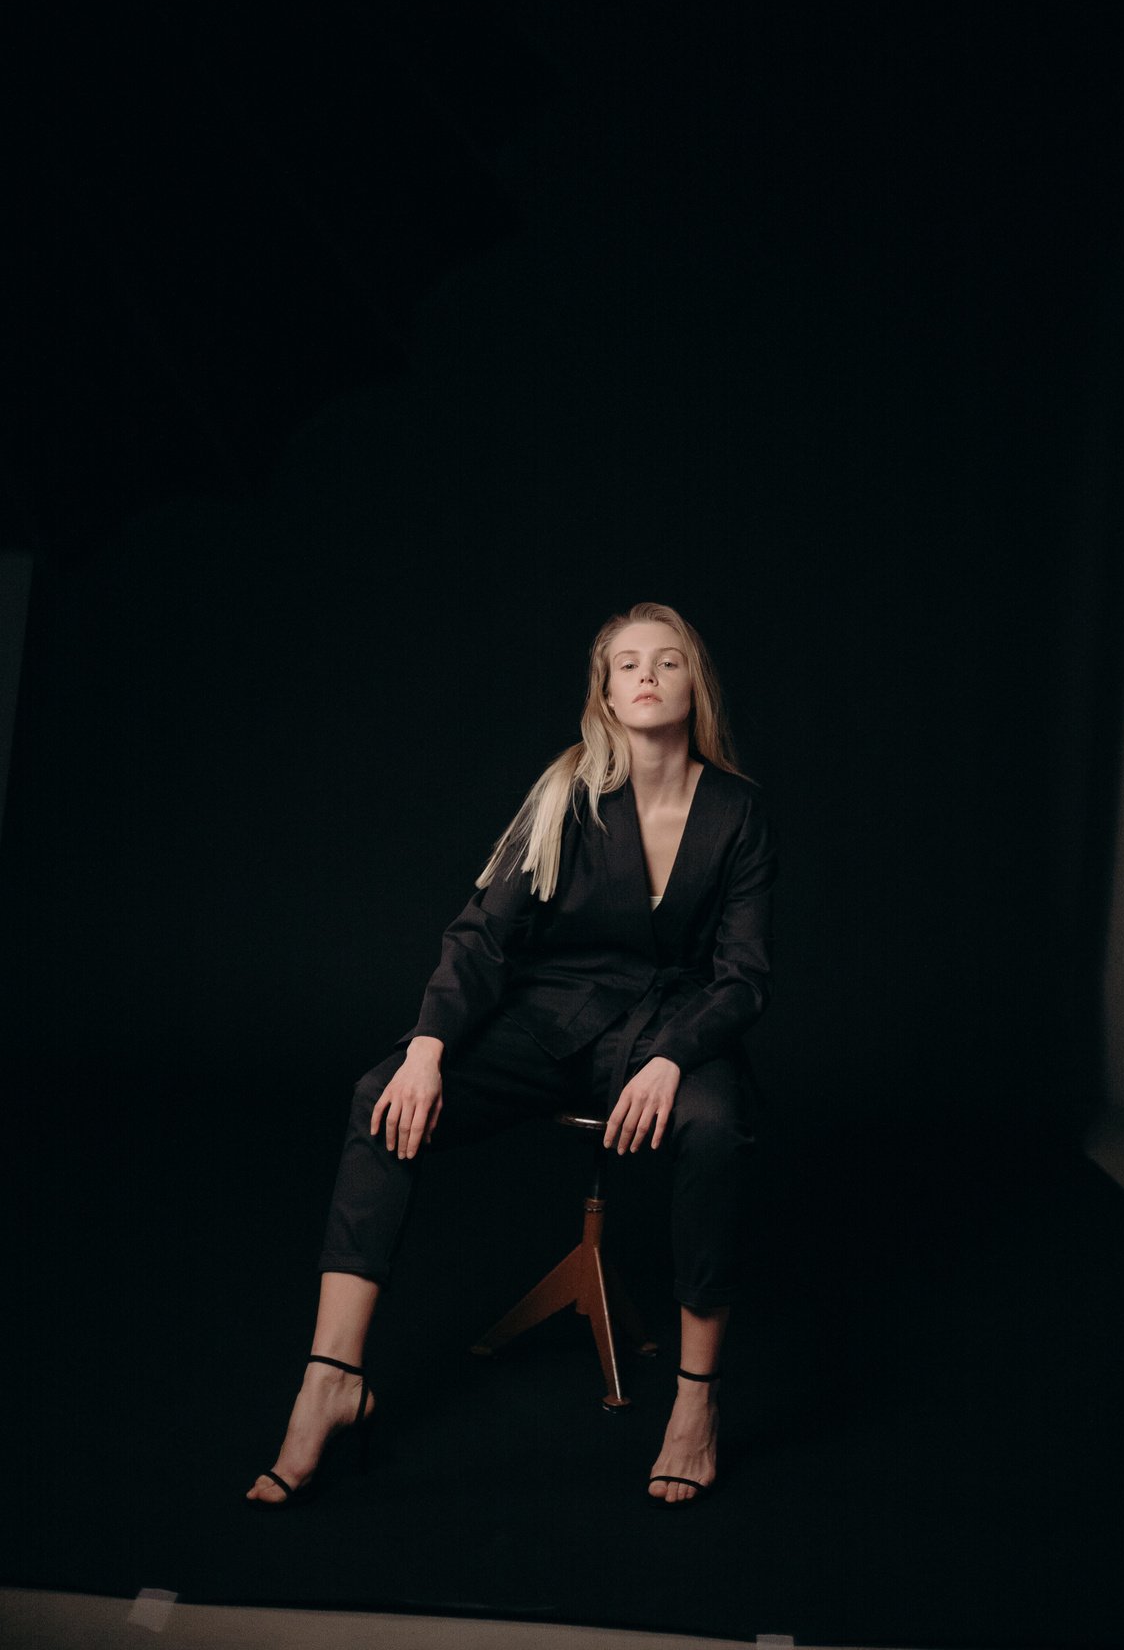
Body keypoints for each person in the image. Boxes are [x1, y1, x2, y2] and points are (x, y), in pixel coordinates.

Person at [247, 601, 776, 1508]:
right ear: (604, 694)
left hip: (670, 1029)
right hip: (549, 1022)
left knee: (718, 1131)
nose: (647, 675)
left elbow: (743, 977)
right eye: (626, 664)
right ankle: (331, 1379)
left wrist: (672, 1058)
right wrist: (425, 1048)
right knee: (382, 1099)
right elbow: (482, 937)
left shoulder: (737, 812)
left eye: (668, 661)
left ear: (695, 686)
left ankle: (696, 1404)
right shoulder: (567, 788)